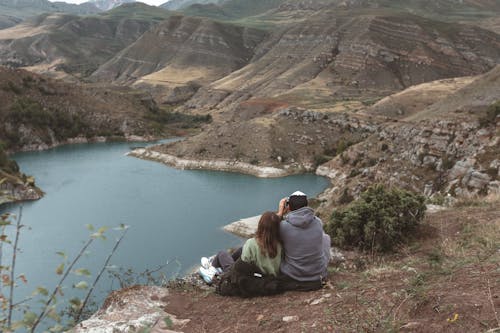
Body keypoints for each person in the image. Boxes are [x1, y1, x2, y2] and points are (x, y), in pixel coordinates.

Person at [199, 211, 283, 284]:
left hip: (248, 276)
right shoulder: (280, 245)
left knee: (222, 254)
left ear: (260, 225)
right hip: (269, 276)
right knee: (241, 250)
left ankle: (212, 270)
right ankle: (217, 267)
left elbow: (242, 265)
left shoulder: (252, 243)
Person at [277, 190, 331, 291]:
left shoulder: (283, 226)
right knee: (325, 238)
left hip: (293, 274)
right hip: (318, 274)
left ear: (288, 207)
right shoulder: (318, 222)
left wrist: (280, 213)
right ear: (306, 206)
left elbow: (266, 232)